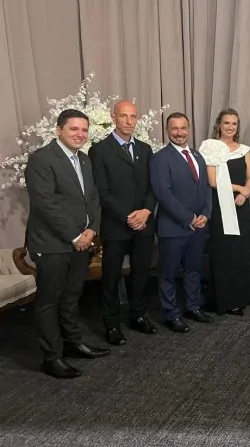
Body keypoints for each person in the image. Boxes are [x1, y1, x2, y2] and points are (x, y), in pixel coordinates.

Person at [25, 109, 109, 379]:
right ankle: (52, 357)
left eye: (84, 130)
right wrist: (75, 236)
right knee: (50, 300)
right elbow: (45, 205)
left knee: (72, 296)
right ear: (58, 130)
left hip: (82, 240)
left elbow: (93, 198)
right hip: (52, 243)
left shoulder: (83, 159)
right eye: (74, 129)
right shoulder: (41, 159)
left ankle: (73, 343)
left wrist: (91, 230)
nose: (80, 134)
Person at [89, 100, 157, 346]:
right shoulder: (99, 150)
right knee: (111, 277)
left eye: (133, 116)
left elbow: (153, 186)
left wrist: (146, 211)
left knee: (141, 274)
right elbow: (102, 191)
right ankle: (112, 324)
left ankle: (138, 315)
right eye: (123, 116)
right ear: (113, 118)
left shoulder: (145, 149)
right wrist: (128, 216)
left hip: (144, 224)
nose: (129, 121)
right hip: (116, 225)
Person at [150, 112, 213, 332]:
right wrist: (189, 218)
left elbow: (206, 187)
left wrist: (206, 214)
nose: (179, 133)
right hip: (173, 228)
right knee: (168, 273)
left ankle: (193, 307)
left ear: (189, 129)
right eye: (174, 128)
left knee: (194, 270)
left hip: (199, 227)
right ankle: (171, 314)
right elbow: (163, 194)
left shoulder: (197, 155)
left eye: (183, 128)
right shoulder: (160, 158)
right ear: (167, 131)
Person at [199, 108, 250, 316]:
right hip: (220, 207)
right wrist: (239, 188)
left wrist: (246, 192)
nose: (230, 127)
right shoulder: (210, 147)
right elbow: (213, 181)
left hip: (240, 206)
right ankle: (224, 300)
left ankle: (241, 296)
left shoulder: (244, 150)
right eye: (226, 123)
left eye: (234, 124)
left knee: (240, 251)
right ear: (219, 125)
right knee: (224, 252)